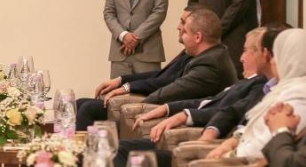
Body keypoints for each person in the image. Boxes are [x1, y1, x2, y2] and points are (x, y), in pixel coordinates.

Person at [113, 26, 284, 167]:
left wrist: (185, 117)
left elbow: (229, 111)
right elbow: (215, 103)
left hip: (222, 151)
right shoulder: (254, 81)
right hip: (212, 143)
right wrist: (169, 109)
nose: (241, 57)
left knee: (126, 153)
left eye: (247, 50)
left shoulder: (260, 85)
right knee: (121, 148)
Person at [75, 7, 237, 130]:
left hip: (176, 118)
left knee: (89, 110)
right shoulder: (205, 55)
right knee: (81, 104)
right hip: (166, 111)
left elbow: (170, 90)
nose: (179, 29)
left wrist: (135, 104)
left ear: (198, 36)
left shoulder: (209, 63)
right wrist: (122, 82)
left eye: (184, 28)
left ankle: (76, 160)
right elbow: (162, 76)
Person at [203, 29, 306, 160]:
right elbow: (257, 126)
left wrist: (227, 156)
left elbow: (265, 143)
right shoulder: (285, 89)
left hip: (248, 164)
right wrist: (232, 142)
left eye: (277, 56)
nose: (272, 62)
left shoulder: (301, 96)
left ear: (290, 61)